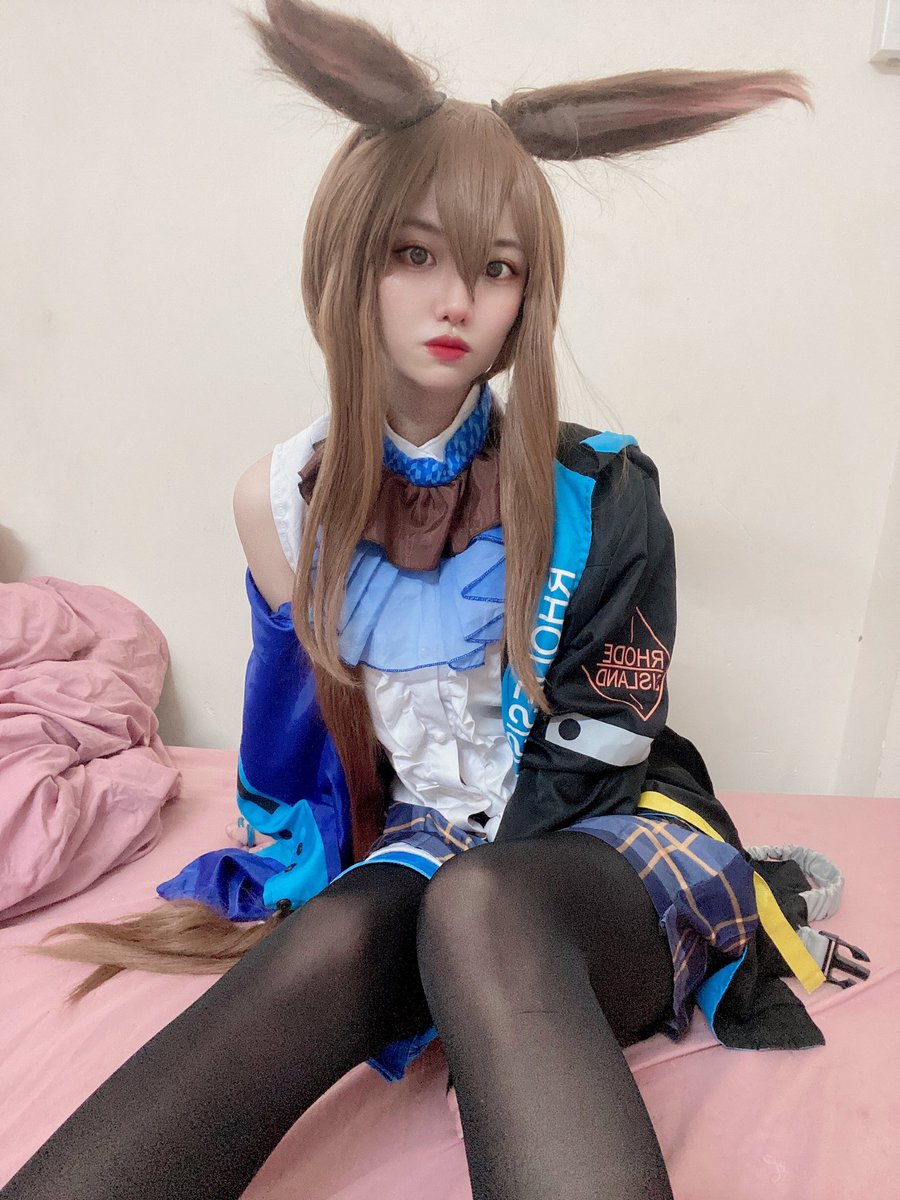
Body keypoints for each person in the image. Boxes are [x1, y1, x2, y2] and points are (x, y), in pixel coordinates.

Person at [2, 3, 823, 1198]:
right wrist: (327, 878)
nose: (456, 302)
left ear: (526, 296)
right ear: (350, 260)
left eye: (497, 268)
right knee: (335, 936)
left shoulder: (603, 492)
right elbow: (304, 725)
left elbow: (600, 746)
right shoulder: (280, 500)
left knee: (480, 907)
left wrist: (451, 936)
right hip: (430, 840)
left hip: (596, 839)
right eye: (415, 254)